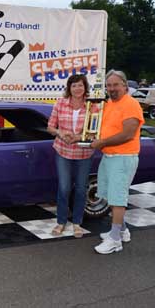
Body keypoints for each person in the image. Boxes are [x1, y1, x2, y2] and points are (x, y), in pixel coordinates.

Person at [90, 69, 144, 254]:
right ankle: (122, 230)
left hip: (123, 157)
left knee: (118, 198)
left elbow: (128, 134)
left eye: (115, 85)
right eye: (109, 85)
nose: (112, 88)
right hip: (109, 156)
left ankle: (115, 241)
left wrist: (102, 142)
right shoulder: (110, 104)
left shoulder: (131, 104)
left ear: (125, 85)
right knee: (110, 196)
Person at [47, 74, 94, 238]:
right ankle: (61, 222)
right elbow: (50, 127)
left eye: (80, 85)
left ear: (85, 87)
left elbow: (94, 131)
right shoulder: (60, 103)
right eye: (74, 86)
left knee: (81, 189)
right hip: (63, 151)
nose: (77, 89)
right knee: (64, 187)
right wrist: (60, 133)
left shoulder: (92, 105)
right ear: (69, 88)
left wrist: (79, 137)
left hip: (84, 153)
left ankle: (77, 223)